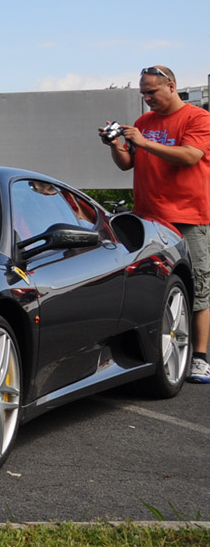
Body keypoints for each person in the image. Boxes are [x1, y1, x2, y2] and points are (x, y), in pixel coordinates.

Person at [102, 65, 210, 383]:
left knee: (198, 288)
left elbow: (190, 156)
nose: (147, 98)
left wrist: (144, 142)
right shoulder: (143, 123)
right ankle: (157, 351)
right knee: (153, 286)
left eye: (152, 91)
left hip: (187, 216)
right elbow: (127, 164)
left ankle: (201, 357)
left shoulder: (197, 118)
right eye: (143, 93)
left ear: (171, 87)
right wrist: (114, 145)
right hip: (149, 219)